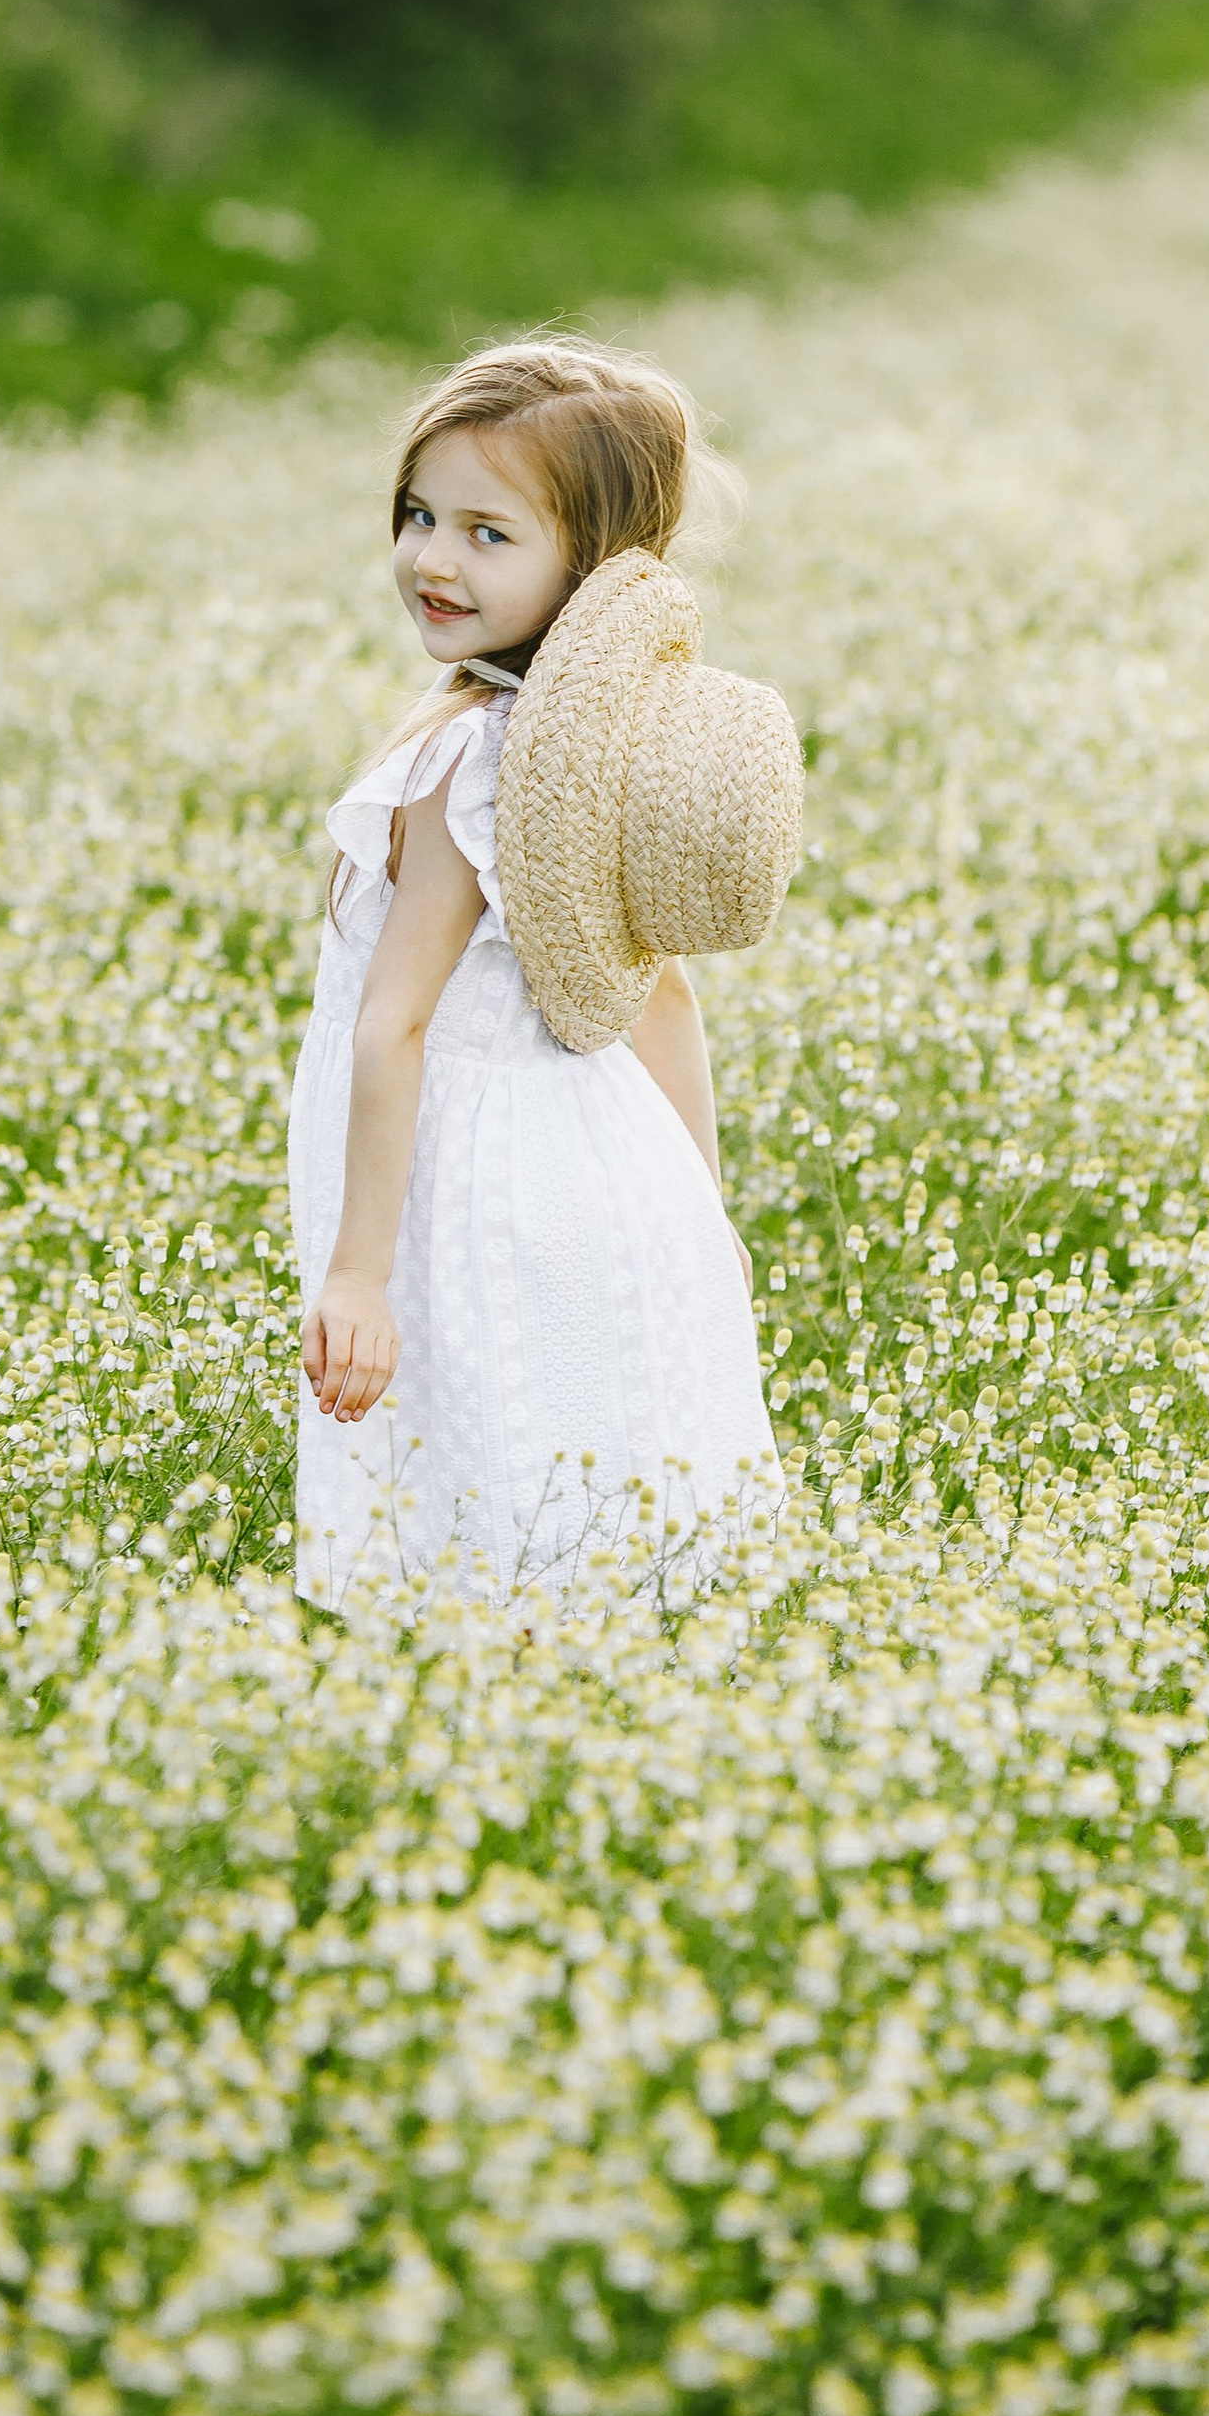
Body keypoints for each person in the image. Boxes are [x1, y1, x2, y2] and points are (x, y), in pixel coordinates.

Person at [289, 333, 802, 1607]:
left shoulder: (468, 761)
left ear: (592, 564)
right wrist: (704, 1212)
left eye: (487, 532)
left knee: (483, 1493)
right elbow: (661, 995)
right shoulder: (572, 749)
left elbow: (391, 1029)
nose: (431, 560)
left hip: (475, 1184)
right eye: (419, 515)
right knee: (584, 1497)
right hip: (607, 1166)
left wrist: (355, 1271)